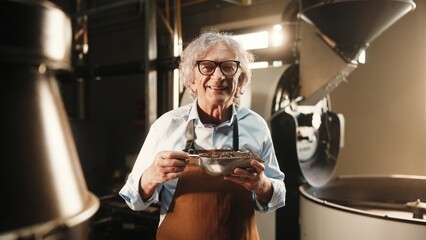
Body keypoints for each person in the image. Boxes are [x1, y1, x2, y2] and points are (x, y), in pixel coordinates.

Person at [119, 31, 286, 240]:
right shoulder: (167, 126)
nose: (218, 77)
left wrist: (261, 184)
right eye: (207, 67)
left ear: (240, 78)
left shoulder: (256, 126)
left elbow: (278, 197)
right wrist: (153, 175)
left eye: (228, 67)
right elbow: (132, 199)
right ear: (191, 78)